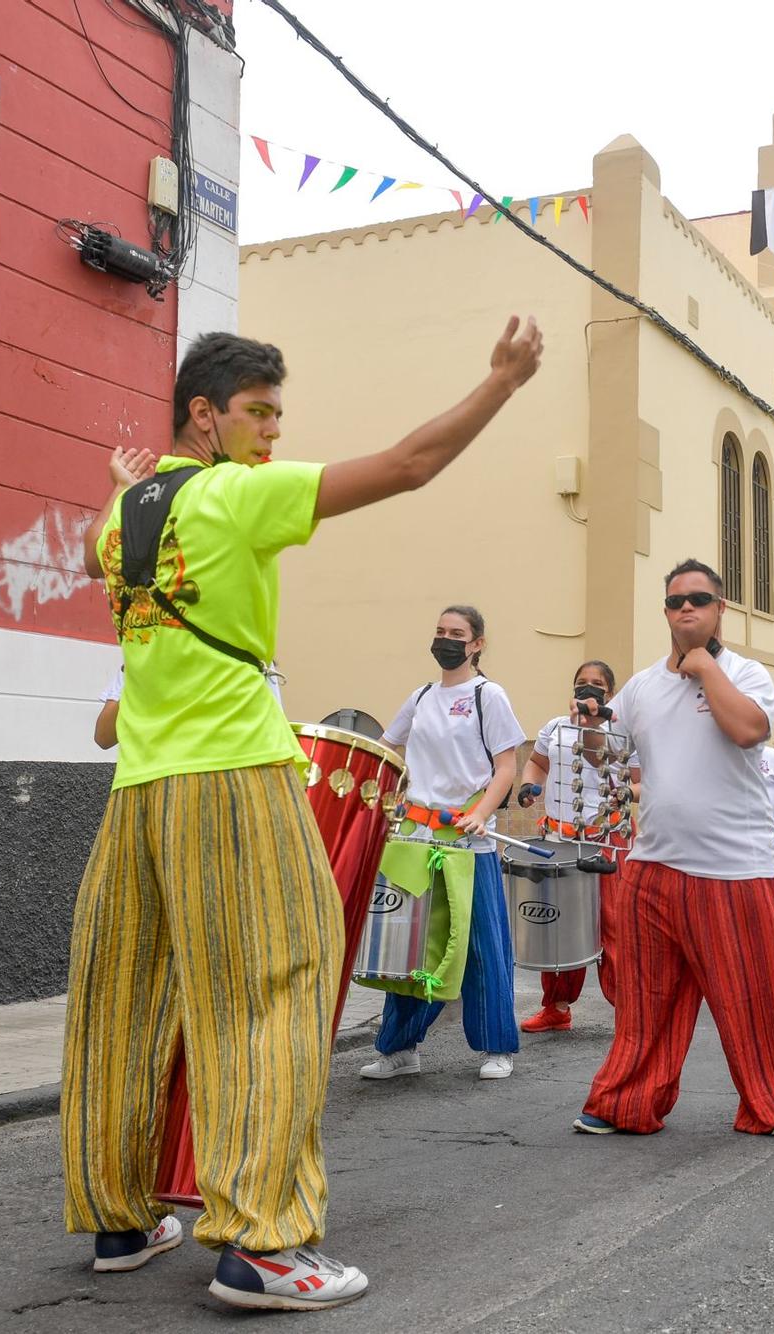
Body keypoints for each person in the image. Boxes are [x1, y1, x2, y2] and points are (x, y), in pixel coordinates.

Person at [64, 320, 541, 1311]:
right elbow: (407, 465)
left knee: (124, 999)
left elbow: (100, 540)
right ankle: (263, 1245)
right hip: (231, 771)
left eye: (281, 415)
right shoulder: (236, 491)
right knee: (275, 982)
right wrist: (498, 381)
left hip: (136, 791)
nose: (274, 433)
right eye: (260, 412)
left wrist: (124, 478)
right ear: (207, 412)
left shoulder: (119, 516)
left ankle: (119, 1216)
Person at [574, 559, 774, 1136]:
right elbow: (605, 755)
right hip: (653, 865)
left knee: (755, 997)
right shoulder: (641, 687)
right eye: (677, 600)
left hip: (734, 867)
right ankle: (625, 1104)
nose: (688, 608)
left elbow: (749, 732)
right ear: (665, 611)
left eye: (700, 599)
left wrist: (705, 667)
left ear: (719, 610)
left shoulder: (748, 674)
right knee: (646, 1002)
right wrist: (589, 727)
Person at [361, 606, 530, 1081]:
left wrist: (480, 814)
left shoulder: (487, 696)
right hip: (417, 840)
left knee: (481, 947)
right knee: (409, 946)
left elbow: (506, 767)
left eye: (457, 633)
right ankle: (399, 1048)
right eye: (440, 632)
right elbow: (388, 749)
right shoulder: (420, 697)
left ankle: (497, 1047)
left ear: (477, 644)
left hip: (466, 843)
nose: (446, 640)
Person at [516, 660, 640, 1034]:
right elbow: (536, 764)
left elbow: (641, 782)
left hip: (607, 840)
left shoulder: (624, 733)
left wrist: (624, 792)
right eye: (581, 683)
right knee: (558, 922)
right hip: (560, 839)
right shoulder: (554, 727)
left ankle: (629, 1013)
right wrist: (529, 786)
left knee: (614, 926)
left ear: (611, 693)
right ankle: (556, 1008)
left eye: (597, 684)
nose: (588, 689)